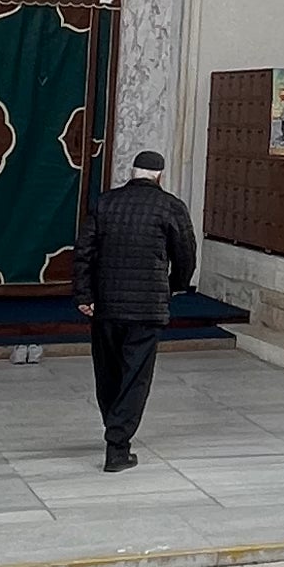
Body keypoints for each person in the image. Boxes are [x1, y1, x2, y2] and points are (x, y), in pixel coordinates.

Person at [76, 145, 198, 470]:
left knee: (108, 372)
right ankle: (117, 446)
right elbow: (185, 254)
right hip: (146, 309)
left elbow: (84, 251)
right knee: (135, 376)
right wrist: (174, 286)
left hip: (106, 306)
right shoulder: (171, 207)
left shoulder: (106, 203)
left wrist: (84, 295)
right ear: (160, 176)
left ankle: (113, 427)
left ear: (131, 173)